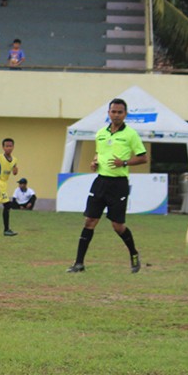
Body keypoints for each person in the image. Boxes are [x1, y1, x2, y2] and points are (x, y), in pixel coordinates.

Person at [67, 98, 147, 273]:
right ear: (108, 113)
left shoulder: (131, 134)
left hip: (118, 184)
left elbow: (143, 157)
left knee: (117, 226)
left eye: (119, 112)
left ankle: (134, 253)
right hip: (100, 182)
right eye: (113, 111)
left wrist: (124, 162)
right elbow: (99, 153)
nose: (116, 115)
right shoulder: (101, 133)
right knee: (89, 221)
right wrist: (94, 162)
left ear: (125, 114)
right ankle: (79, 263)